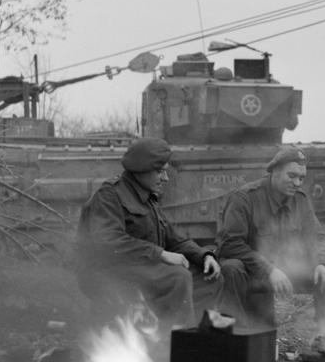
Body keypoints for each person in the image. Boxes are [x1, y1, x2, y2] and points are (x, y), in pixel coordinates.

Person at [76, 137, 226, 334]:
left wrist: (203, 255)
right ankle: (177, 346)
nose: (165, 178)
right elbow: (108, 242)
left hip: (141, 267)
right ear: (141, 170)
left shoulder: (147, 197)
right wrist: (160, 254)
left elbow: (172, 237)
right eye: (160, 171)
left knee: (209, 277)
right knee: (177, 277)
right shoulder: (109, 195)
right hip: (108, 272)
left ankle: (200, 338)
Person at [215, 146, 325, 337]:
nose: (297, 183)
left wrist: (321, 264)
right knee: (231, 267)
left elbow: (319, 238)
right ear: (275, 172)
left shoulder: (300, 201)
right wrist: (269, 269)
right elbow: (229, 245)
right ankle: (240, 337)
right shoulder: (244, 198)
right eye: (292, 176)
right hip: (255, 273)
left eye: (301, 178)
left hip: (289, 270)